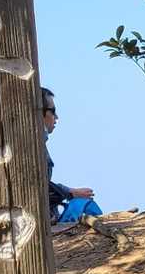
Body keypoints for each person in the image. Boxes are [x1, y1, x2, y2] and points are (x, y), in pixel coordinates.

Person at [41, 87, 103, 225]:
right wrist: (70, 193)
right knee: (84, 205)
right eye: (53, 111)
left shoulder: (38, 144)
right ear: (40, 112)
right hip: (44, 224)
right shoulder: (33, 146)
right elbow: (38, 186)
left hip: (49, 218)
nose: (56, 117)